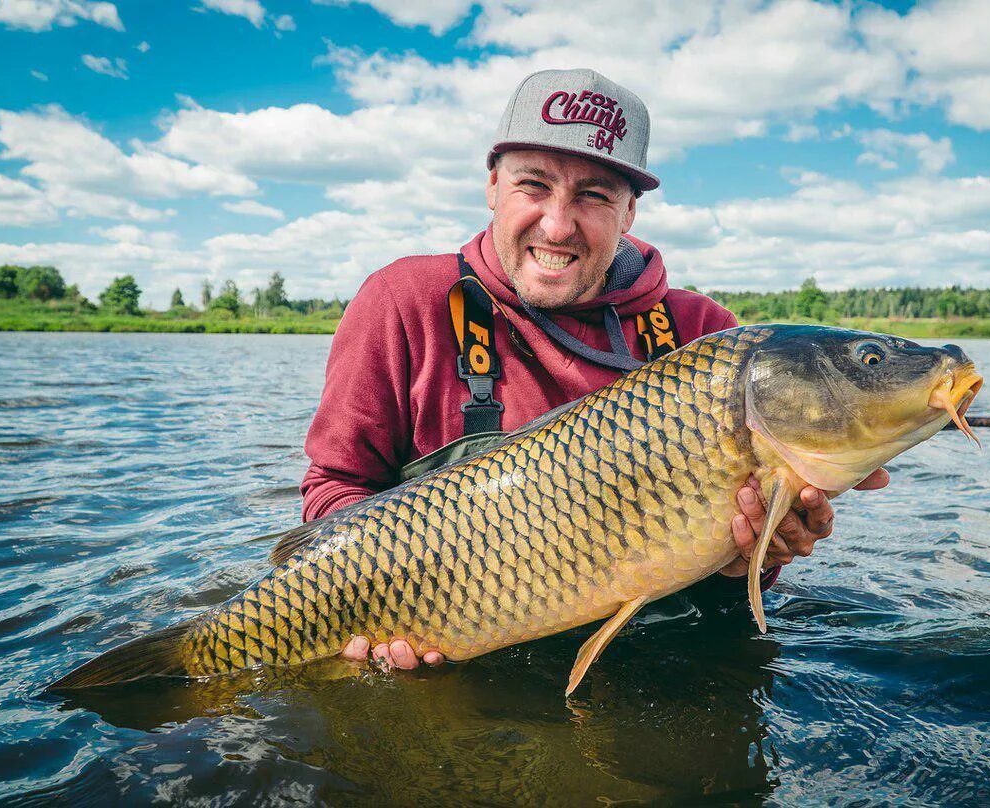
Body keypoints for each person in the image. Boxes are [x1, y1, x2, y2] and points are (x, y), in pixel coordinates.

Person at [300, 68, 889, 670]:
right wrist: (372, 612)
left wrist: (763, 555)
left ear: (629, 212)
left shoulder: (706, 336)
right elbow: (332, 491)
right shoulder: (404, 302)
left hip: (669, 666)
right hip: (458, 659)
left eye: (593, 195)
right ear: (492, 187)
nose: (557, 225)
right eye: (533, 186)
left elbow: (744, 581)